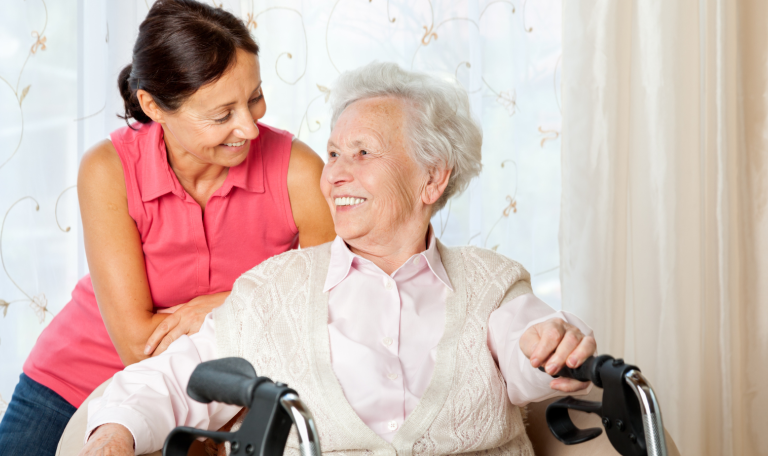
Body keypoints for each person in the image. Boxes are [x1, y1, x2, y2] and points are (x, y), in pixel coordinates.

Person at [79, 62, 596, 456]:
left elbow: (531, 347)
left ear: (433, 178)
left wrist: (553, 346)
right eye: (333, 154)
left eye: (363, 153)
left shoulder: (491, 282)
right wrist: (115, 434)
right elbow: (175, 377)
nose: (335, 175)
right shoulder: (275, 291)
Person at [0, 1, 335, 455]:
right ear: (153, 105)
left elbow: (332, 300)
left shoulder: (297, 171)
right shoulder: (108, 169)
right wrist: (250, 308)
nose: (250, 128)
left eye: (254, 97)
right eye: (222, 115)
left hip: (218, 388)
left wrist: (224, 302)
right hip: (74, 379)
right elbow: (139, 345)